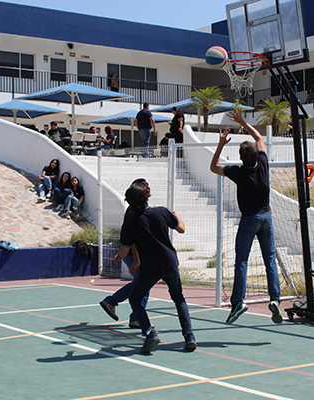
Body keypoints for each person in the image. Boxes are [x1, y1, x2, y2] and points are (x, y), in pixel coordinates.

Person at [209, 110, 283, 325]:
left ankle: (238, 303)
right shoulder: (263, 164)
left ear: (241, 158)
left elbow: (213, 167)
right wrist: (243, 122)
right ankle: (275, 299)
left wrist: (221, 144)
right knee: (270, 261)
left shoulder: (238, 172)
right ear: (256, 155)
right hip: (266, 218)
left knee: (242, 261)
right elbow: (259, 137)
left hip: (249, 220)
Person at [114, 179, 196, 353]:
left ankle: (150, 334)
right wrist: (178, 216)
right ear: (146, 197)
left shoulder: (130, 223)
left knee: (135, 299)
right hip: (170, 264)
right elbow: (181, 228)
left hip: (150, 269)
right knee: (179, 299)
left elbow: (123, 252)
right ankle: (189, 336)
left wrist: (123, 256)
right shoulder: (162, 212)